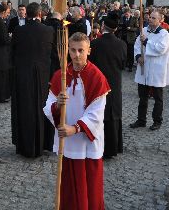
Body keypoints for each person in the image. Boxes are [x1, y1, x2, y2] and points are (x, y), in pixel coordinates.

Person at [43, 32, 110, 210]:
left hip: (86, 143)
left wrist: (74, 128)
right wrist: (57, 105)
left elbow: (96, 113)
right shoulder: (60, 75)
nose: (77, 54)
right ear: (68, 51)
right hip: (67, 143)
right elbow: (47, 105)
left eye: (81, 50)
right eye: (73, 50)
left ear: (89, 50)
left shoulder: (97, 77)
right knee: (69, 190)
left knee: (89, 190)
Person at [10, 2, 55, 158]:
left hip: (23, 75)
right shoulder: (48, 31)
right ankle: (43, 143)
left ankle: (24, 144)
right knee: (42, 107)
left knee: (25, 109)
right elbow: (52, 55)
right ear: (40, 14)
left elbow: (13, 53)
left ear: (26, 14)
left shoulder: (18, 31)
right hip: (42, 76)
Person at [89, 17, 126, 159]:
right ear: (116, 29)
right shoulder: (121, 44)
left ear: (103, 26)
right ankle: (114, 147)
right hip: (115, 83)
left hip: (98, 83)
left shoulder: (95, 44)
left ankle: (98, 146)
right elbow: (123, 64)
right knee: (113, 113)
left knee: (98, 112)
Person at [130, 11, 169, 131]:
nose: (150, 19)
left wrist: (147, 42)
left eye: (154, 18)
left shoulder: (164, 34)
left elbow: (161, 49)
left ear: (160, 20)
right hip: (144, 67)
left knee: (158, 98)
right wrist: (138, 56)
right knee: (142, 96)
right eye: (150, 17)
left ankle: (157, 121)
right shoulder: (144, 30)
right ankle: (141, 120)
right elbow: (137, 45)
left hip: (156, 69)